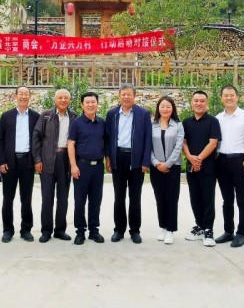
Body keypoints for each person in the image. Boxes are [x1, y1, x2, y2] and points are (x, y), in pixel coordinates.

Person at [105, 84, 152, 244]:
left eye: (129, 94)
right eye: (123, 94)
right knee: (119, 197)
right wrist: (108, 158)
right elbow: (108, 138)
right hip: (118, 157)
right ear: (119, 96)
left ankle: (135, 230)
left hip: (136, 159)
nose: (126, 97)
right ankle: (119, 230)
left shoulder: (143, 114)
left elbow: (148, 139)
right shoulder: (112, 114)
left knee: (135, 197)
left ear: (134, 96)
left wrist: (145, 161)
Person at [32, 89, 77, 243]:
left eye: (66, 98)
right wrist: (37, 159)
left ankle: (60, 230)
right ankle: (46, 231)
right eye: (60, 98)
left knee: (63, 198)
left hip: (65, 159)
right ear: (55, 99)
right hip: (47, 159)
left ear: (69, 100)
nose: (63, 100)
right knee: (47, 198)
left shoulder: (73, 116)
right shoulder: (46, 115)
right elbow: (36, 137)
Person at [0, 86, 40, 243]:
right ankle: (8, 230)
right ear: (15, 96)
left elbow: (39, 140)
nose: (23, 96)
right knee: (8, 198)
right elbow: (0, 140)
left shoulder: (36, 116)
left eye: (26, 94)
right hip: (9, 162)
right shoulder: (6, 116)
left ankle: (26, 229)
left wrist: (37, 160)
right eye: (20, 94)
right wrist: (1, 161)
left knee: (26, 198)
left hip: (27, 161)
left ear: (30, 96)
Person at [182, 90, 222, 246]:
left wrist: (198, 159)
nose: (199, 103)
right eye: (196, 101)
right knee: (195, 198)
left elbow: (213, 143)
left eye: (202, 101)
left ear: (207, 103)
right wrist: (190, 158)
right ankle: (199, 226)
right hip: (191, 167)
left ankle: (208, 230)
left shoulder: (213, 121)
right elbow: (183, 142)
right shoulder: (186, 122)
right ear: (192, 103)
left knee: (207, 198)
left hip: (208, 167)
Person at [68, 92, 108, 245]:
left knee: (96, 200)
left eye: (93, 102)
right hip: (81, 166)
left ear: (97, 104)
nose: (90, 105)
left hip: (98, 167)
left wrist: (108, 161)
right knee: (80, 201)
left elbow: (106, 143)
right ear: (82, 105)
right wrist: (73, 166)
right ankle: (80, 231)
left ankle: (93, 230)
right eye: (87, 102)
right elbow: (71, 144)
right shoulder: (76, 123)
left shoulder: (102, 123)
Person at [215, 85, 244, 248]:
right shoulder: (218, 118)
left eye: (231, 95)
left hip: (239, 160)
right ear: (221, 98)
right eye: (225, 95)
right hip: (222, 161)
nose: (228, 98)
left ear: (237, 97)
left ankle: (241, 233)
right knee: (227, 199)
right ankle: (228, 231)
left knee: (242, 199)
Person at [150, 96, 184, 245]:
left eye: (168, 106)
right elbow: (148, 146)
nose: (165, 109)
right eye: (162, 106)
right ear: (158, 108)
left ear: (173, 109)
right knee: (160, 198)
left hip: (173, 167)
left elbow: (179, 146)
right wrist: (156, 162)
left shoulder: (178, 125)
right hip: (156, 167)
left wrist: (168, 164)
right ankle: (163, 227)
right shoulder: (152, 125)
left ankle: (170, 230)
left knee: (172, 198)